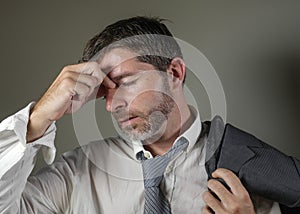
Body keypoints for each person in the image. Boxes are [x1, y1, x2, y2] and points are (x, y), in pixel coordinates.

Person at [0, 16, 282, 213]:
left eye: (124, 80)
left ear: (174, 73)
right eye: (103, 91)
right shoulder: (78, 171)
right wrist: (37, 120)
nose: (112, 105)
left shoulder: (252, 169)